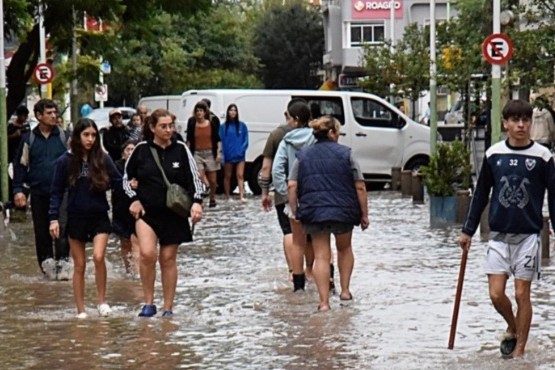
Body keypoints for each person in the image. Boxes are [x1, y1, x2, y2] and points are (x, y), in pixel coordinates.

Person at [458, 99, 555, 359]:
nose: (521, 125)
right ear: (506, 124)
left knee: (522, 293)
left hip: (529, 236)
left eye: (526, 120)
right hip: (498, 236)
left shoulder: (544, 157)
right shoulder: (494, 154)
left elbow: (554, 197)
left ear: (531, 123)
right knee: (496, 294)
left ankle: (519, 352)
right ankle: (512, 327)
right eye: (515, 120)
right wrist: (468, 230)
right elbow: (480, 196)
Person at [124, 108, 204, 317]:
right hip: (147, 212)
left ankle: (168, 307)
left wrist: (197, 202)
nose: (168, 130)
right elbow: (125, 179)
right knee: (148, 253)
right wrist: (133, 199)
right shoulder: (140, 150)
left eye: (171, 126)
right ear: (152, 128)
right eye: (163, 126)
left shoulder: (181, 150)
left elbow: (195, 180)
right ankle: (149, 303)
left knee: (168, 258)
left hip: (174, 213)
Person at [288, 116, 369, 311]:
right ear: (332, 132)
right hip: (343, 210)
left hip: (314, 211)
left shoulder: (303, 156)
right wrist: (364, 214)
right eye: (338, 132)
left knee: (321, 255)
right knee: (344, 249)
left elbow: (291, 185)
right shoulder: (347, 154)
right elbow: (360, 187)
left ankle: (323, 303)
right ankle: (345, 292)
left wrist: (295, 210)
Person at [49, 118, 122, 318]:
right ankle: (80, 310)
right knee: (79, 265)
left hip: (99, 215)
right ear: (77, 136)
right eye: (86, 135)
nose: (90, 139)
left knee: (98, 257)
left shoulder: (102, 158)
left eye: (93, 135)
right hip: (76, 216)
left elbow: (118, 181)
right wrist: (53, 219)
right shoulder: (65, 161)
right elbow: (55, 192)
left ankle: (101, 302)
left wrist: (133, 188)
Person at [12, 99, 70, 280]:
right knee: (42, 233)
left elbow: (77, 161)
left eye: (55, 113)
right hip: (38, 192)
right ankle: (47, 273)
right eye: (49, 113)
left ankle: (64, 270)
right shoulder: (28, 139)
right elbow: (20, 165)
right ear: (38, 116)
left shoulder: (64, 137)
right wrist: (18, 189)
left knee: (62, 229)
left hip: (63, 193)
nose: (54, 116)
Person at [272, 101, 316, 292]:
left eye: (288, 117)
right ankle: (322, 278)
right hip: (316, 196)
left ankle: (298, 286)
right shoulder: (317, 139)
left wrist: (285, 191)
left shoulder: (286, 141)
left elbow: (276, 170)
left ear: (296, 119)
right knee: (319, 241)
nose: (287, 121)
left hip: (295, 196)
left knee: (297, 242)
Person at [112, 140, 140, 275]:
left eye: (133, 149)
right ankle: (129, 270)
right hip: (120, 208)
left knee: (136, 240)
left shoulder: (141, 166)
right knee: (125, 242)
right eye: (128, 149)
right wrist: (127, 184)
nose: (131, 152)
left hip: (138, 207)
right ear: (123, 152)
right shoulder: (117, 166)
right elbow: (113, 183)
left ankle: (137, 272)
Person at [186, 101, 221, 207]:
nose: (199, 113)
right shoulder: (192, 123)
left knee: (213, 180)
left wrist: (219, 153)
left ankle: (212, 197)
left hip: (210, 153)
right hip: (197, 153)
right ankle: (203, 191)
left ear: (205, 112)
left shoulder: (211, 123)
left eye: (201, 111)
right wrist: (187, 152)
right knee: (199, 176)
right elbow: (189, 140)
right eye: (197, 111)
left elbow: (217, 139)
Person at [219, 104, 249, 201]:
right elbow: (220, 140)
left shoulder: (242, 126)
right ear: (228, 112)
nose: (233, 112)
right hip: (228, 155)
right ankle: (228, 195)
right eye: (231, 110)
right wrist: (222, 153)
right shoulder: (223, 127)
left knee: (240, 175)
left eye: (234, 110)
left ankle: (241, 195)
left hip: (240, 155)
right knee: (228, 176)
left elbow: (246, 140)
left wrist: (242, 149)